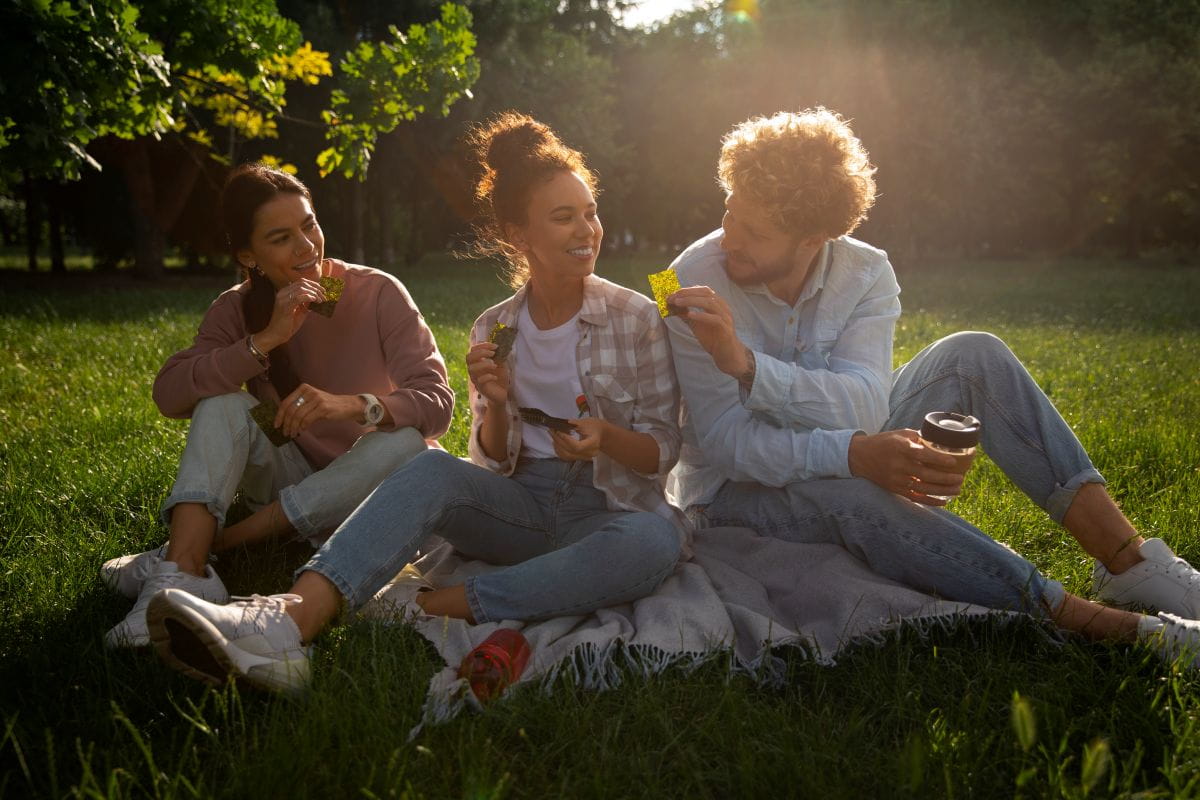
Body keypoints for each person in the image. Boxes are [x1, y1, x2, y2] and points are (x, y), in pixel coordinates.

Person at [142, 113, 687, 692]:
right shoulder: (496, 327)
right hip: (518, 506)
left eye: (590, 212)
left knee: (655, 541)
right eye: (564, 217)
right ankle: (285, 620)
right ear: (518, 235)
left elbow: (665, 451)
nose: (587, 230)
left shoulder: (635, 316)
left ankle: (424, 604)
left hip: (605, 509)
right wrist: (498, 404)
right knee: (431, 469)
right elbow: (490, 461)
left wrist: (606, 437)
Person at [663, 107, 1200, 657]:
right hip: (730, 494)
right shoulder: (683, 281)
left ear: (813, 239)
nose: (728, 239)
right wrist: (852, 456)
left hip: (846, 438)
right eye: (729, 213)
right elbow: (727, 444)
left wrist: (749, 367)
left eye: (754, 232)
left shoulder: (867, 271)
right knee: (852, 489)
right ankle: (1109, 627)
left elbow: (867, 408)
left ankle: (1131, 564)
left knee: (974, 352)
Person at [101, 164, 454, 648]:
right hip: (287, 471)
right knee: (222, 403)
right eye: (281, 238)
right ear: (248, 255)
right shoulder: (236, 307)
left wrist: (353, 406)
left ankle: (212, 544)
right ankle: (182, 572)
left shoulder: (377, 291)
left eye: (309, 225)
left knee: (409, 443)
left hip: (372, 489)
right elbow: (170, 393)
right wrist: (265, 340)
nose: (306, 246)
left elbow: (437, 402)